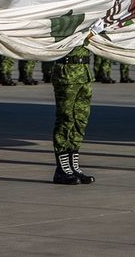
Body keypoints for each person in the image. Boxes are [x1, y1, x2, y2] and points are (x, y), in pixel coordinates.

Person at [50, 40, 96, 184]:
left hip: (84, 73)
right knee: (66, 119)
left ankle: (73, 165)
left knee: (80, 121)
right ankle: (62, 169)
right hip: (67, 73)